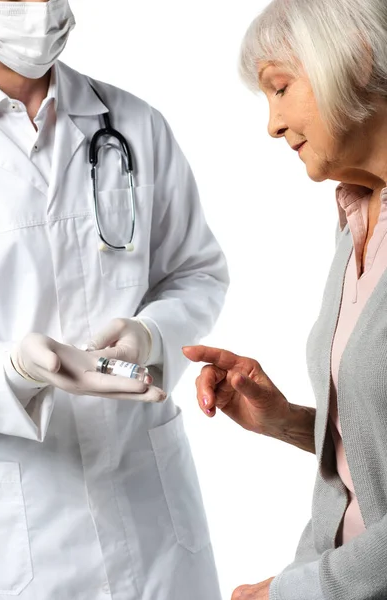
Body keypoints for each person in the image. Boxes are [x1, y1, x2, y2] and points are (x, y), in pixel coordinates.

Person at [0, 0, 229, 598]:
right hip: (18, 528)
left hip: (151, 517)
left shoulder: (135, 124)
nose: (40, 9)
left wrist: (151, 336)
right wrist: (14, 370)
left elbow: (196, 270)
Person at [184, 0, 387, 598]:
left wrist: (292, 593)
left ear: (356, 57)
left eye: (280, 88)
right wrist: (297, 423)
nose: (272, 124)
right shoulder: (356, 217)